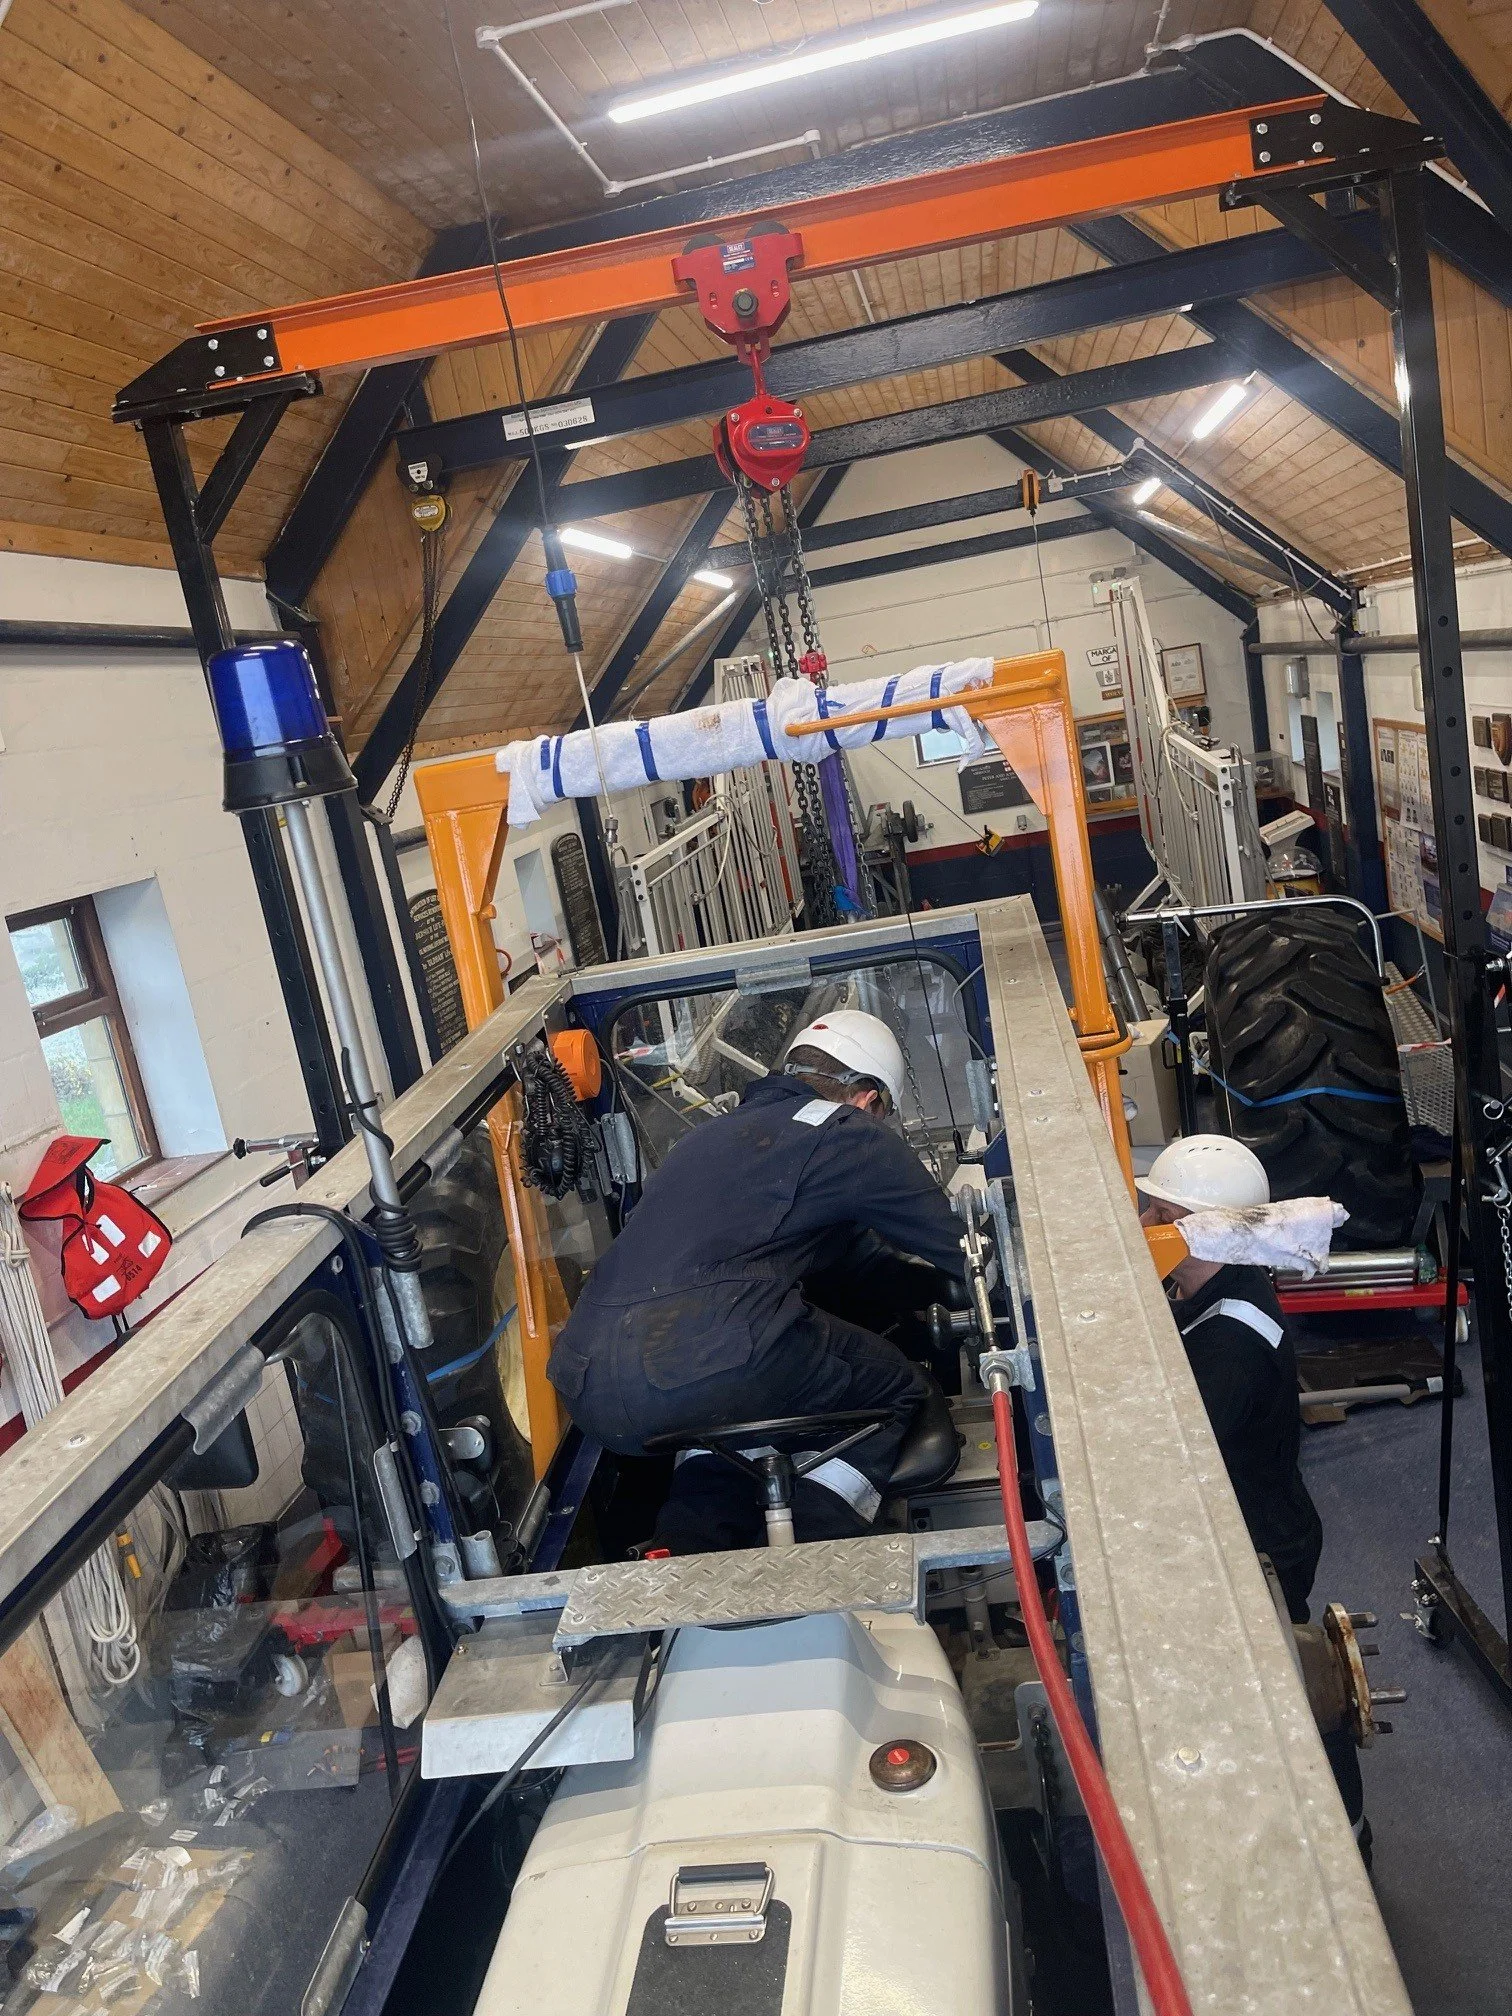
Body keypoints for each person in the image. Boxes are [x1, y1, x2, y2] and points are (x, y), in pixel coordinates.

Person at [547, 1010, 967, 1552]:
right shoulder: (849, 1134)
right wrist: (961, 1287)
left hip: (589, 1385)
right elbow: (964, 1250)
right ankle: (820, 1555)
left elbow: (827, 1258)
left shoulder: (704, 1140)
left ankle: (688, 1566)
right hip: (722, 1353)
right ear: (868, 1099)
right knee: (897, 1390)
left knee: (721, 1430)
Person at [1137, 1133, 1367, 1853]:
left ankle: (1345, 1841)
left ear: (1197, 1228)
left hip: (1262, 1541)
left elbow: (1176, 1447)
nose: (1142, 1227)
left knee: (1297, 1687)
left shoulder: (1233, 1336)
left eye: (1154, 1214)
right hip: (1261, 1518)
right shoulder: (1213, 1290)